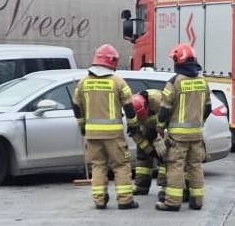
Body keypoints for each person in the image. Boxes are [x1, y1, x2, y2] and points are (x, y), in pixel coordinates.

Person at [72, 43, 138, 210]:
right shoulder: (117, 82)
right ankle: (125, 200)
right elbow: (129, 107)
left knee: (98, 166)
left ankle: (99, 200)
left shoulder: (83, 82)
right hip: (114, 135)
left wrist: (82, 126)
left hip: (92, 135)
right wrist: (133, 125)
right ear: (112, 62)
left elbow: (76, 106)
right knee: (121, 165)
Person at [156, 44, 211, 212]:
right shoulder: (202, 82)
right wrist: (197, 122)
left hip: (178, 136)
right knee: (195, 166)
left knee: (176, 166)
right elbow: (207, 108)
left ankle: (172, 202)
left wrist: (159, 127)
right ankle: (197, 201)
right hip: (196, 134)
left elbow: (165, 109)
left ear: (177, 61)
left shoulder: (174, 82)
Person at [129, 90, 168, 197]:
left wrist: (161, 138)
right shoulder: (130, 109)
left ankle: (165, 186)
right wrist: (150, 151)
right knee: (142, 155)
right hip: (148, 126)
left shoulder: (157, 99)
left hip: (161, 125)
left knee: (164, 154)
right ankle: (141, 186)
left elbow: (166, 119)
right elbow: (135, 134)